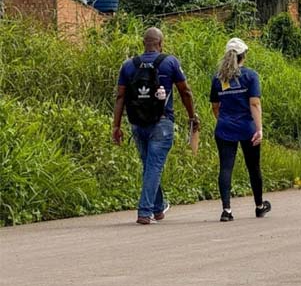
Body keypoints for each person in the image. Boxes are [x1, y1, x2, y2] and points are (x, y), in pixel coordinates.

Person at [112, 27, 199, 225]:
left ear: (144, 43)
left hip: (137, 124)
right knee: (154, 166)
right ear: (160, 43)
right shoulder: (169, 62)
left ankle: (158, 208)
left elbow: (120, 97)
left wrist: (116, 126)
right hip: (162, 123)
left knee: (150, 166)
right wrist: (192, 116)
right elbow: (185, 92)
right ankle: (145, 211)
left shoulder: (128, 66)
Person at [210, 38, 270, 222]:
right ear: (244, 55)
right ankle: (259, 206)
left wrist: (224, 120)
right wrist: (259, 129)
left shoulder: (218, 78)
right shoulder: (251, 76)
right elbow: (254, 103)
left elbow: (215, 106)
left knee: (226, 167)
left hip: (225, 128)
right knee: (253, 167)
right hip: (247, 128)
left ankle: (226, 210)